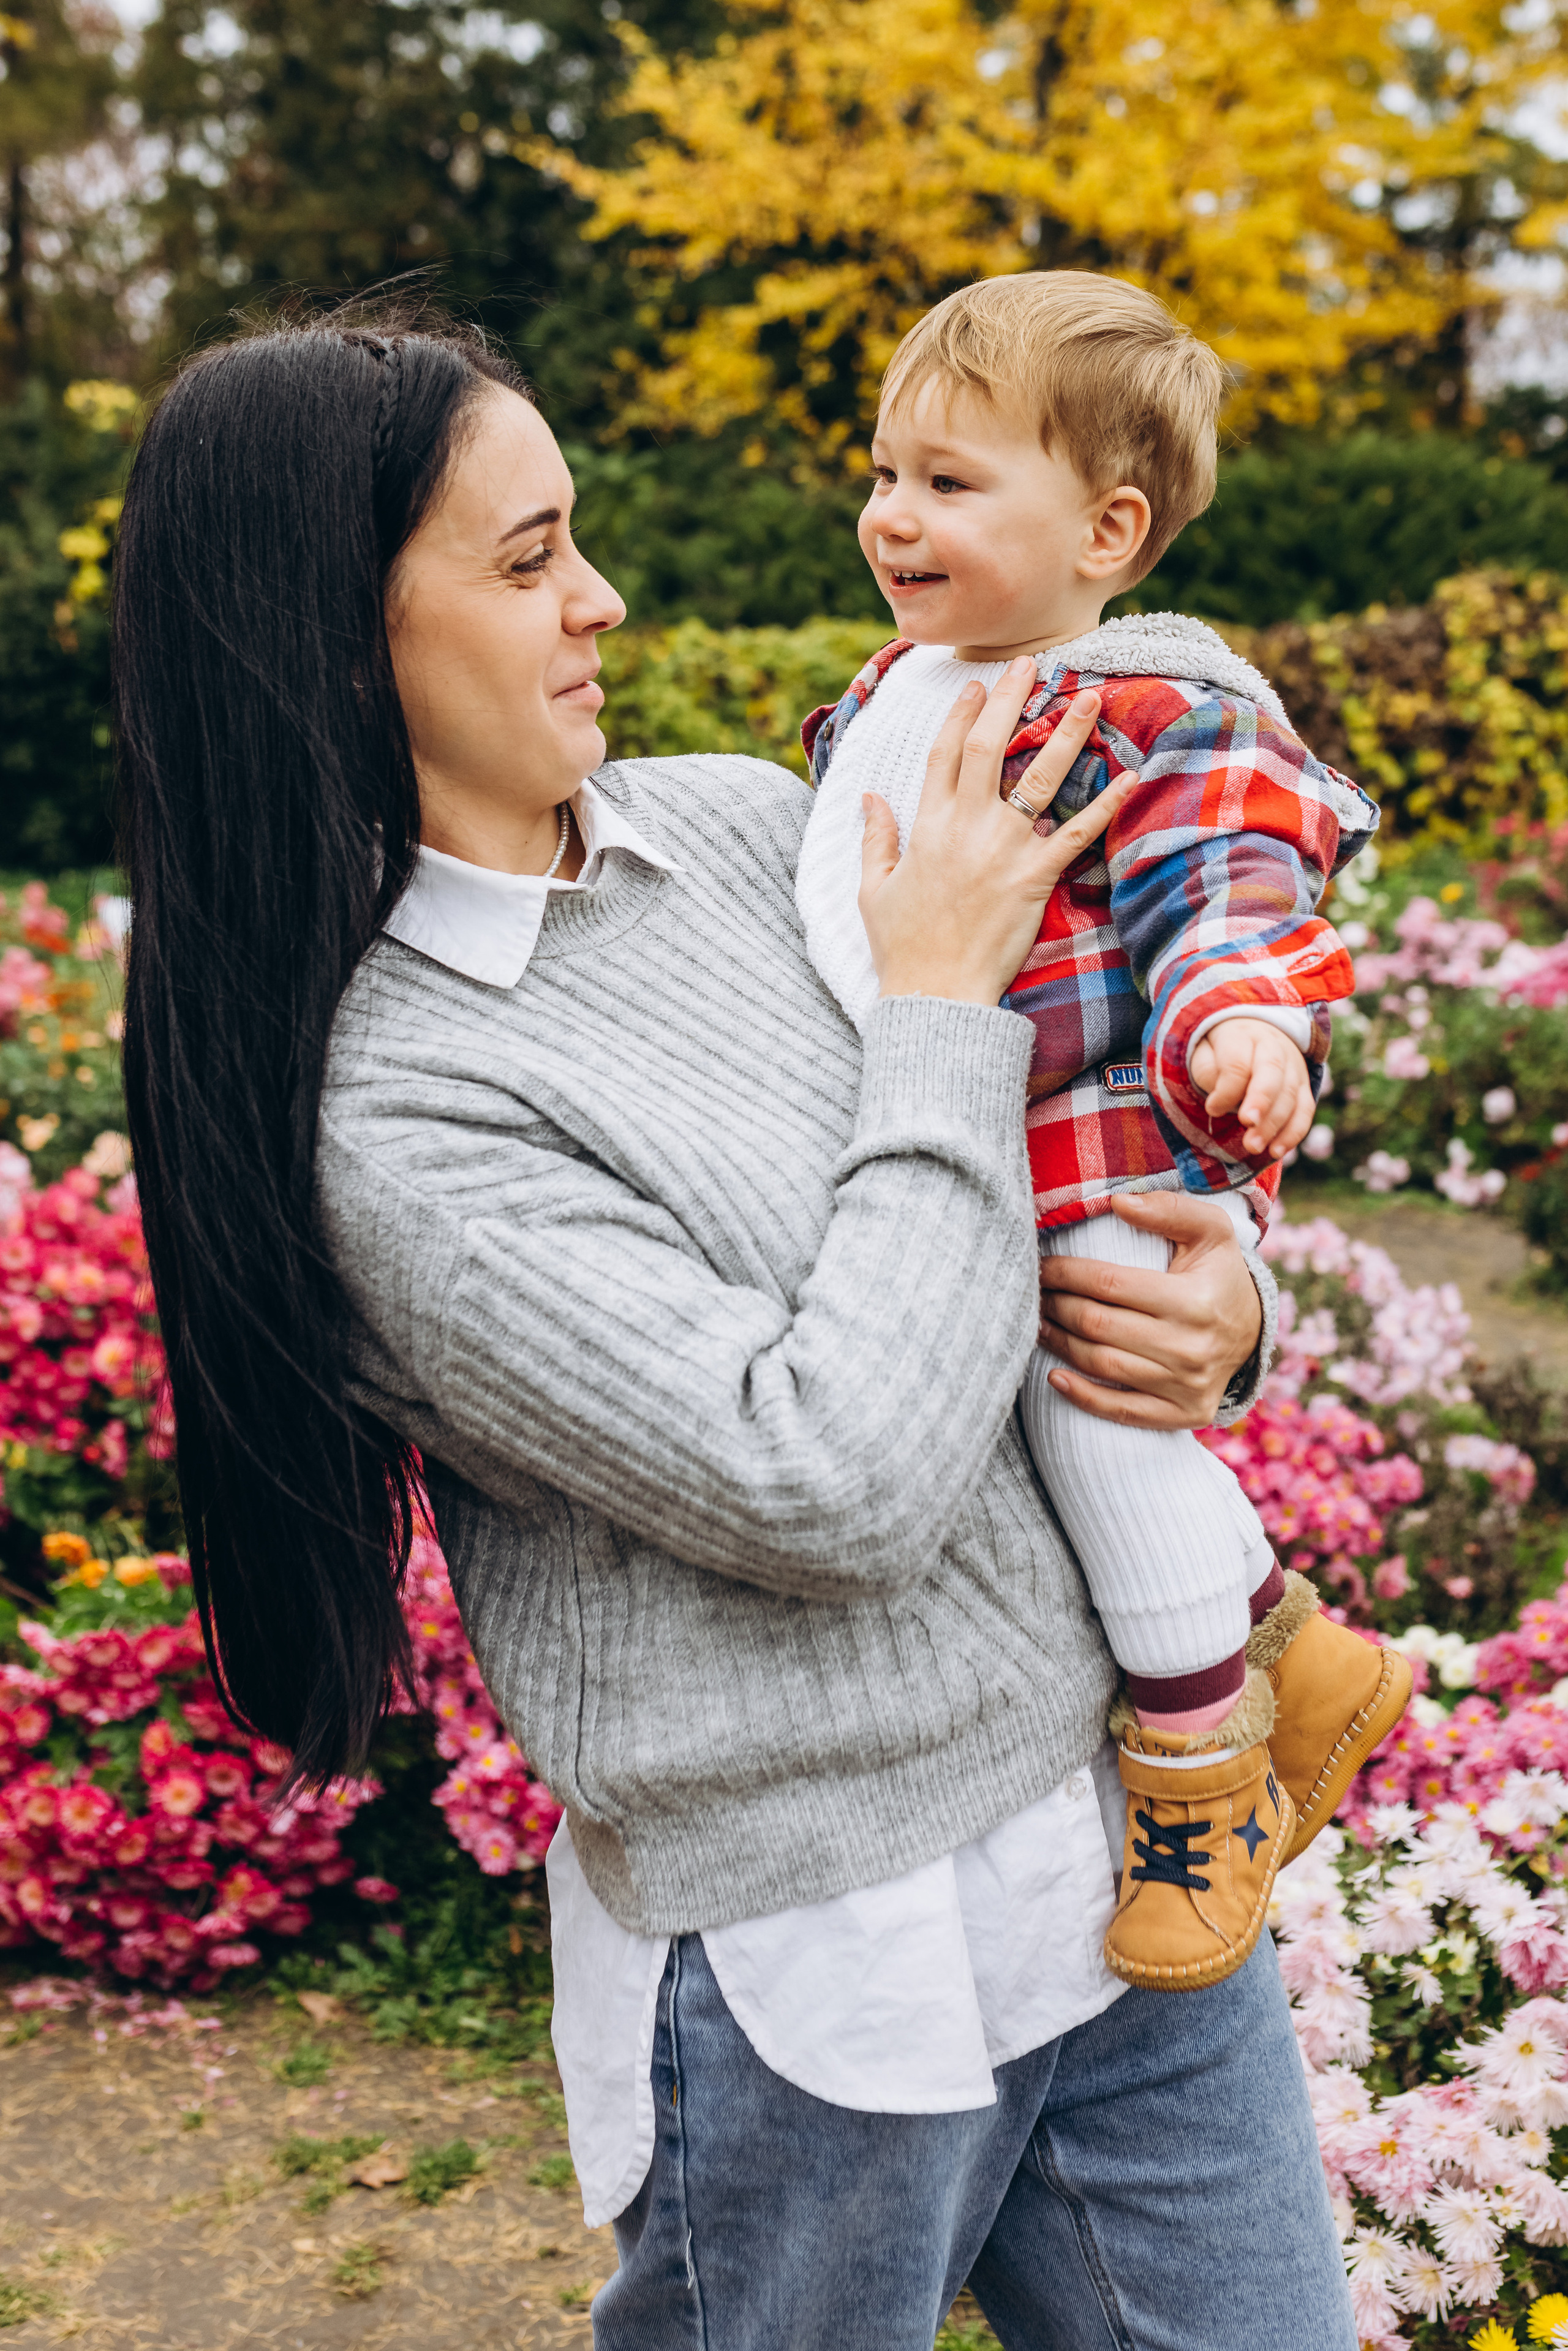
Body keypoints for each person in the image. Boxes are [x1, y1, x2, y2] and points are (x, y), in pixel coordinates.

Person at [113, 303, 1355, 2349]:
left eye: (577, 536)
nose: (599, 598)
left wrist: (1218, 1305)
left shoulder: (751, 827)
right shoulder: (398, 1117)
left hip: (1128, 1871)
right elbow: (830, 1480)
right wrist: (938, 1003)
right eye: (529, 562)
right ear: (334, 642)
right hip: (824, 1972)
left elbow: (1072, 1113)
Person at [796, 271, 1412, 1991]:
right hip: (968, 1143)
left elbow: (1230, 885)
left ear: (1109, 532)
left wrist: (1243, 1021)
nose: (893, 514)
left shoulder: (1146, 708)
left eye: (949, 481)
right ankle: (1297, 1651)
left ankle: (1201, 1785)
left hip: (1106, 1155)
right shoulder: (896, 690)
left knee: (1102, 1430)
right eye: (886, 472)